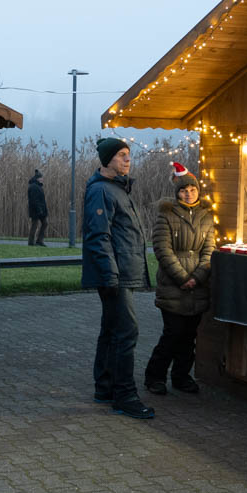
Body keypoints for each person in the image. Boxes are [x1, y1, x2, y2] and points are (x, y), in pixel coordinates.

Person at [82, 138, 154, 420]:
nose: (128, 160)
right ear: (107, 159)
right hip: (116, 274)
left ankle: (106, 387)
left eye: (129, 155)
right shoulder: (101, 190)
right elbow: (99, 236)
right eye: (122, 155)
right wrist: (110, 275)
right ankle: (125, 396)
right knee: (127, 333)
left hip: (120, 271)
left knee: (112, 330)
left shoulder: (117, 188)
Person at [144, 161, 215, 395]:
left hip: (198, 286)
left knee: (189, 337)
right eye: (184, 190)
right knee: (172, 334)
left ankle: (181, 376)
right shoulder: (166, 215)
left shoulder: (206, 217)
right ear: (177, 193)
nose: (188, 193)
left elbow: (209, 250)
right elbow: (162, 250)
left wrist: (199, 275)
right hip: (174, 286)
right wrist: (183, 277)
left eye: (192, 190)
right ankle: (155, 376)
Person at [26, 169, 48, 246]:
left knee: (45, 223)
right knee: (34, 225)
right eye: (41, 178)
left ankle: (39, 241)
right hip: (36, 210)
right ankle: (31, 242)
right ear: (37, 179)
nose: (42, 179)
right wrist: (39, 210)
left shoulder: (38, 186)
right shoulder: (34, 187)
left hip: (40, 209)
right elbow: (35, 200)